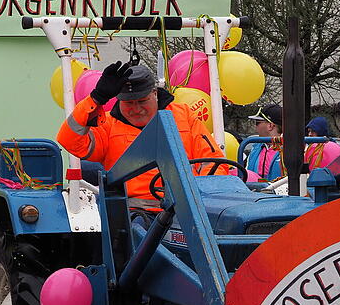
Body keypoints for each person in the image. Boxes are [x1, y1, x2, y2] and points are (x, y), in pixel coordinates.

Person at [57, 62, 223, 202]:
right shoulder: (107, 125)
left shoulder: (184, 115)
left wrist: (204, 200)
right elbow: (69, 140)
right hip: (135, 213)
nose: (136, 109)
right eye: (129, 103)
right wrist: (96, 98)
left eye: (142, 101)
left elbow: (213, 162)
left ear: (155, 94)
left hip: (189, 206)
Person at [246, 104, 284, 179]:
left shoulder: (291, 149)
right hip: (254, 190)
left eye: (257, 122)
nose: (255, 126)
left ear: (270, 125)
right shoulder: (255, 148)